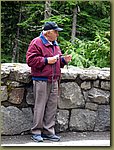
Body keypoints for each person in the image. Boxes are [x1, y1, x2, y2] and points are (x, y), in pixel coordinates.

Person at [26, 21, 72, 142]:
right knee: (40, 107)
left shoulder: (55, 44)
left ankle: (48, 131)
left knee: (51, 107)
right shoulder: (36, 42)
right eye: (56, 32)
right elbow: (30, 60)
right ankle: (36, 132)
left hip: (54, 79)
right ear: (48, 32)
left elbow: (56, 61)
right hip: (41, 80)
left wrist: (63, 60)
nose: (57, 34)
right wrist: (46, 61)